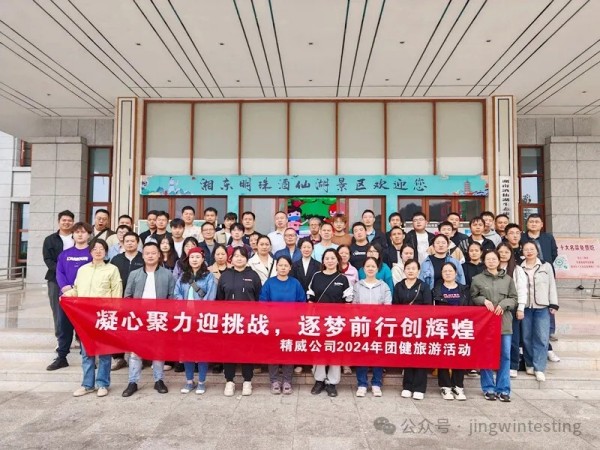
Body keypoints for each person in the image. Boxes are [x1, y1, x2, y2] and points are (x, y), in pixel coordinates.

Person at [63, 239, 122, 397]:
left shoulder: (112, 269)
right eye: (95, 248)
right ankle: (87, 384)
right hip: (85, 317)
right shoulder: (83, 270)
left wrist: (114, 314)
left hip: (104, 316)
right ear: (90, 252)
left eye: (101, 248)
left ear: (106, 252)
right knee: (86, 352)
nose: (98, 251)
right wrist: (66, 295)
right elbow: (77, 290)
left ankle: (102, 383)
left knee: (104, 352)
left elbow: (117, 294)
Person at [122, 242, 176, 397]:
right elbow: (127, 296)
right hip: (139, 318)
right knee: (135, 351)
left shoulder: (167, 274)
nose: (150, 256)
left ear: (159, 255)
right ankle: (133, 382)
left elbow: (172, 297)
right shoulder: (134, 274)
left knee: (158, 350)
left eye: (153, 253)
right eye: (147, 253)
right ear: (143, 255)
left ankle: (159, 380)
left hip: (158, 318)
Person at [471, 250, 518, 402]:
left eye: (494, 259)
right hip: (486, 323)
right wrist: (483, 300)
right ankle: (488, 388)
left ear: (498, 261)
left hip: (504, 322)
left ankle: (503, 389)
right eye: (488, 259)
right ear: (484, 261)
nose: (491, 261)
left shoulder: (508, 279)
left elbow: (514, 299)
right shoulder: (477, 279)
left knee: (505, 356)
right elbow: (473, 297)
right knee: (486, 355)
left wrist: (504, 304)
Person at [47, 222, 93, 371]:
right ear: (72, 234)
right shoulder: (64, 254)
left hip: (85, 297)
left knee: (86, 328)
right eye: (77, 232)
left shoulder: (92, 253)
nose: (80, 234)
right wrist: (65, 288)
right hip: (67, 297)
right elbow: (59, 272)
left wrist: (79, 289)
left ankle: (88, 356)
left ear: (89, 235)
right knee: (64, 328)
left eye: (83, 232)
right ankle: (62, 357)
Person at [216, 247, 262, 396]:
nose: (239, 258)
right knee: (229, 351)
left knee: (247, 350)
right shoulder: (225, 276)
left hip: (248, 321)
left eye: (242, 256)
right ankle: (229, 381)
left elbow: (259, 298)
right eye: (235, 256)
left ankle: (247, 381)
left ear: (247, 258)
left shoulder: (253, 275)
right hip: (229, 321)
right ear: (231, 259)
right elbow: (219, 299)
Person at [307, 249, 352, 397]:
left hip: (336, 322)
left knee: (334, 351)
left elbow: (348, 302)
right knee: (319, 350)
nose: (330, 261)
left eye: (333, 258)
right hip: (318, 321)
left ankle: (332, 383)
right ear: (323, 261)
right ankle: (319, 380)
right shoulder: (316, 276)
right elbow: (311, 299)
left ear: (338, 260)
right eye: (327, 258)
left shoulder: (343, 279)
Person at [259, 256, 306, 395]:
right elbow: (263, 302)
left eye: (286, 265)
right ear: (276, 267)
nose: (283, 268)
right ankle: (274, 381)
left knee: (288, 351)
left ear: (290, 267)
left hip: (290, 324)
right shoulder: (269, 283)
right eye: (280, 265)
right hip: (273, 324)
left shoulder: (295, 283)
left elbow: (302, 302)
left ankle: (287, 381)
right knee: (273, 352)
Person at [174, 247, 217, 394]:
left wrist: (199, 313)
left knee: (202, 350)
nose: (194, 260)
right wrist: (184, 309)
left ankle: (202, 382)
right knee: (187, 351)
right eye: (192, 257)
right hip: (186, 319)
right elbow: (177, 294)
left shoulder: (208, 276)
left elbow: (210, 296)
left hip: (201, 319)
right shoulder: (183, 276)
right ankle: (189, 381)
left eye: (198, 257)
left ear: (203, 259)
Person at [520, 214, 560, 361]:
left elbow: (554, 254)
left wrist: (543, 265)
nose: (534, 224)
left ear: (542, 224)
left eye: (537, 222)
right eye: (531, 221)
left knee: (547, 306)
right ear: (527, 224)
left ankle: (550, 334)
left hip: (544, 274)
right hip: (527, 275)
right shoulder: (522, 238)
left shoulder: (548, 237)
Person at [393, 259, 432, 400]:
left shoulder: (424, 286)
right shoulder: (399, 286)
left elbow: (428, 306)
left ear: (418, 271)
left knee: (420, 354)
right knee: (408, 353)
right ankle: (407, 386)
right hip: (404, 326)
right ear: (404, 270)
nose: (410, 271)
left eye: (413, 268)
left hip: (420, 326)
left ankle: (419, 387)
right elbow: (395, 305)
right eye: (408, 268)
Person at [353, 257, 391, 398]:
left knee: (377, 354)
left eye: (373, 266)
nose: (370, 268)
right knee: (361, 354)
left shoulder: (383, 286)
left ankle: (376, 383)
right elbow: (354, 305)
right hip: (361, 325)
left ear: (377, 269)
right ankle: (362, 384)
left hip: (378, 326)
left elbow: (388, 306)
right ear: (363, 269)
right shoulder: (358, 286)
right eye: (367, 266)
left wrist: (376, 319)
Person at [432, 262, 471, 401]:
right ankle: (445, 386)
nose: (448, 273)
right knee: (443, 355)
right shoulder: (436, 290)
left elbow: (470, 308)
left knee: (459, 355)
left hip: (460, 327)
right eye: (445, 271)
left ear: (456, 273)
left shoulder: (464, 289)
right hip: (442, 327)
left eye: (450, 271)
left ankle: (458, 386)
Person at [109, 231, 144, 371]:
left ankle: (139, 357)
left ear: (137, 243)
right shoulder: (116, 259)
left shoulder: (143, 258)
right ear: (122, 243)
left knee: (138, 328)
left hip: (139, 300)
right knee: (118, 328)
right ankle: (118, 358)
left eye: (132, 241)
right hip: (119, 299)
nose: (130, 243)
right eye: (127, 241)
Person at [42, 210, 74, 342]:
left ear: (73, 222)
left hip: (75, 279)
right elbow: (48, 259)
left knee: (76, 309)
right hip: (55, 279)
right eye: (64, 220)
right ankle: (61, 339)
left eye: (69, 220)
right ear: (59, 222)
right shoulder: (50, 239)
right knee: (57, 309)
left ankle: (78, 338)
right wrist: (61, 271)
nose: (66, 223)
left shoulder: (77, 237)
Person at [497, 243, 528, 379]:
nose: (503, 255)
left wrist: (520, 308)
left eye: (506, 252)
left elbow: (522, 290)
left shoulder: (517, 270)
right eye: (501, 252)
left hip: (511, 309)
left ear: (511, 254)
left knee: (512, 338)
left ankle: (513, 365)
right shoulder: (492, 267)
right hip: (495, 308)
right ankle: (497, 364)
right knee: (496, 338)